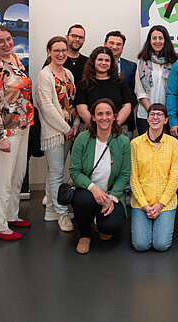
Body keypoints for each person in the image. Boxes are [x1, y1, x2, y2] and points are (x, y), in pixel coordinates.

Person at [0, 24, 34, 240]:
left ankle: (11, 215)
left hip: (23, 126)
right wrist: (0, 135)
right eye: (1, 41)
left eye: (9, 39)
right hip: (5, 132)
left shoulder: (15, 59)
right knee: (3, 180)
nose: (6, 44)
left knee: (17, 176)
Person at [69, 98, 131, 254]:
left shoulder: (123, 141)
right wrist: (94, 189)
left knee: (109, 229)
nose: (104, 117)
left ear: (115, 116)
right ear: (93, 117)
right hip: (88, 191)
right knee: (84, 201)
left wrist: (112, 198)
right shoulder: (82, 139)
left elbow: (124, 174)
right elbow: (75, 171)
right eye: (100, 114)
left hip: (111, 192)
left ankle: (100, 220)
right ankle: (85, 235)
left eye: (108, 113)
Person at [35, 36, 79, 232]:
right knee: (57, 174)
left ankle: (51, 210)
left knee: (55, 173)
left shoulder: (68, 73)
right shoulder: (45, 75)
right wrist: (66, 128)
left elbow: (74, 100)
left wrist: (75, 125)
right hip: (55, 132)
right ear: (49, 52)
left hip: (69, 130)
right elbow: (46, 106)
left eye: (64, 50)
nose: (61, 54)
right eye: (56, 50)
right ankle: (62, 213)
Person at [129, 103, 178, 251]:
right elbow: (133, 178)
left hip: (165, 203)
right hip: (141, 202)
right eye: (152, 114)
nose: (155, 117)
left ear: (166, 120)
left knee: (161, 245)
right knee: (140, 245)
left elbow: (174, 177)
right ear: (147, 118)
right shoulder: (135, 143)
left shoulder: (173, 143)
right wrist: (145, 205)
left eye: (159, 114)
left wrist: (160, 204)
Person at [75, 46, 135, 135]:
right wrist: (98, 127)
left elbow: (127, 106)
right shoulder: (84, 83)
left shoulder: (119, 82)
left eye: (107, 60)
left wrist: (112, 126)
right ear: (93, 61)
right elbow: (82, 110)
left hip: (117, 130)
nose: (103, 63)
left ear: (111, 63)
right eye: (100, 60)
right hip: (90, 130)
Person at [134, 25, 178, 134]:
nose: (157, 41)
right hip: (145, 115)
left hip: (167, 116)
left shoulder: (174, 63)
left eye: (160, 38)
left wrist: (162, 114)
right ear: (149, 41)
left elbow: (175, 91)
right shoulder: (142, 62)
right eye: (154, 38)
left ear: (166, 40)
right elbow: (139, 91)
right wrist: (152, 112)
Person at [104, 30, 137, 138]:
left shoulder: (132, 67)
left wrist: (122, 114)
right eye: (111, 43)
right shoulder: (94, 65)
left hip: (125, 123)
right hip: (101, 121)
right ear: (105, 44)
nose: (115, 47)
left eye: (119, 44)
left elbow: (134, 94)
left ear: (122, 48)